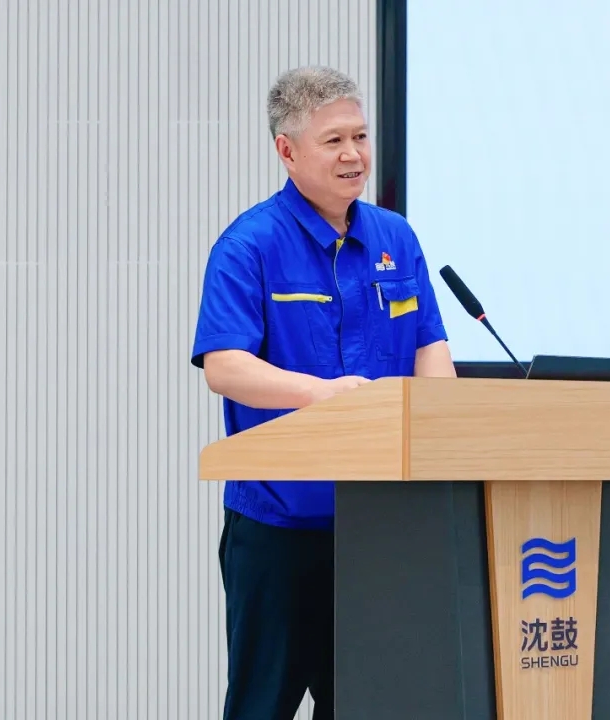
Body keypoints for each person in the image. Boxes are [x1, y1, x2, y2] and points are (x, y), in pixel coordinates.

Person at [190, 66, 457, 720]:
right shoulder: (249, 245)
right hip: (279, 528)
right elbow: (224, 365)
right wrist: (323, 395)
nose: (353, 154)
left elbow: (430, 347)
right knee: (263, 706)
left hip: (383, 525)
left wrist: (447, 422)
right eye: (333, 140)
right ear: (287, 151)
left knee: (368, 706)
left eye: (360, 137)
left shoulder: (395, 238)